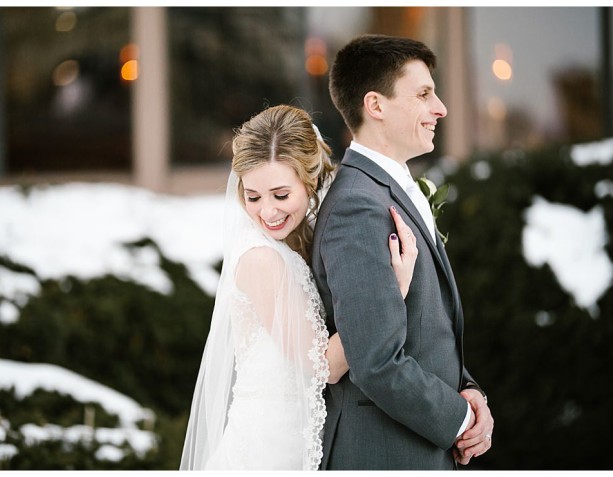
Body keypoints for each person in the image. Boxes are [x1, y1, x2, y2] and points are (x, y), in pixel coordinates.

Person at [180, 105, 419, 470]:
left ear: (309, 183)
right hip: (268, 450)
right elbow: (324, 366)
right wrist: (392, 290)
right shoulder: (261, 259)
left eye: (280, 195)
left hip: (295, 439)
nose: (267, 212)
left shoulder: (297, 238)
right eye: (253, 196)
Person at [311, 34, 493, 470]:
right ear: (376, 105)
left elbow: (427, 326)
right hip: (385, 451)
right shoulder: (357, 205)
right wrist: (460, 419)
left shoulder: (387, 190)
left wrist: (469, 391)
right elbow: (373, 359)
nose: (441, 108)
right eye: (424, 94)